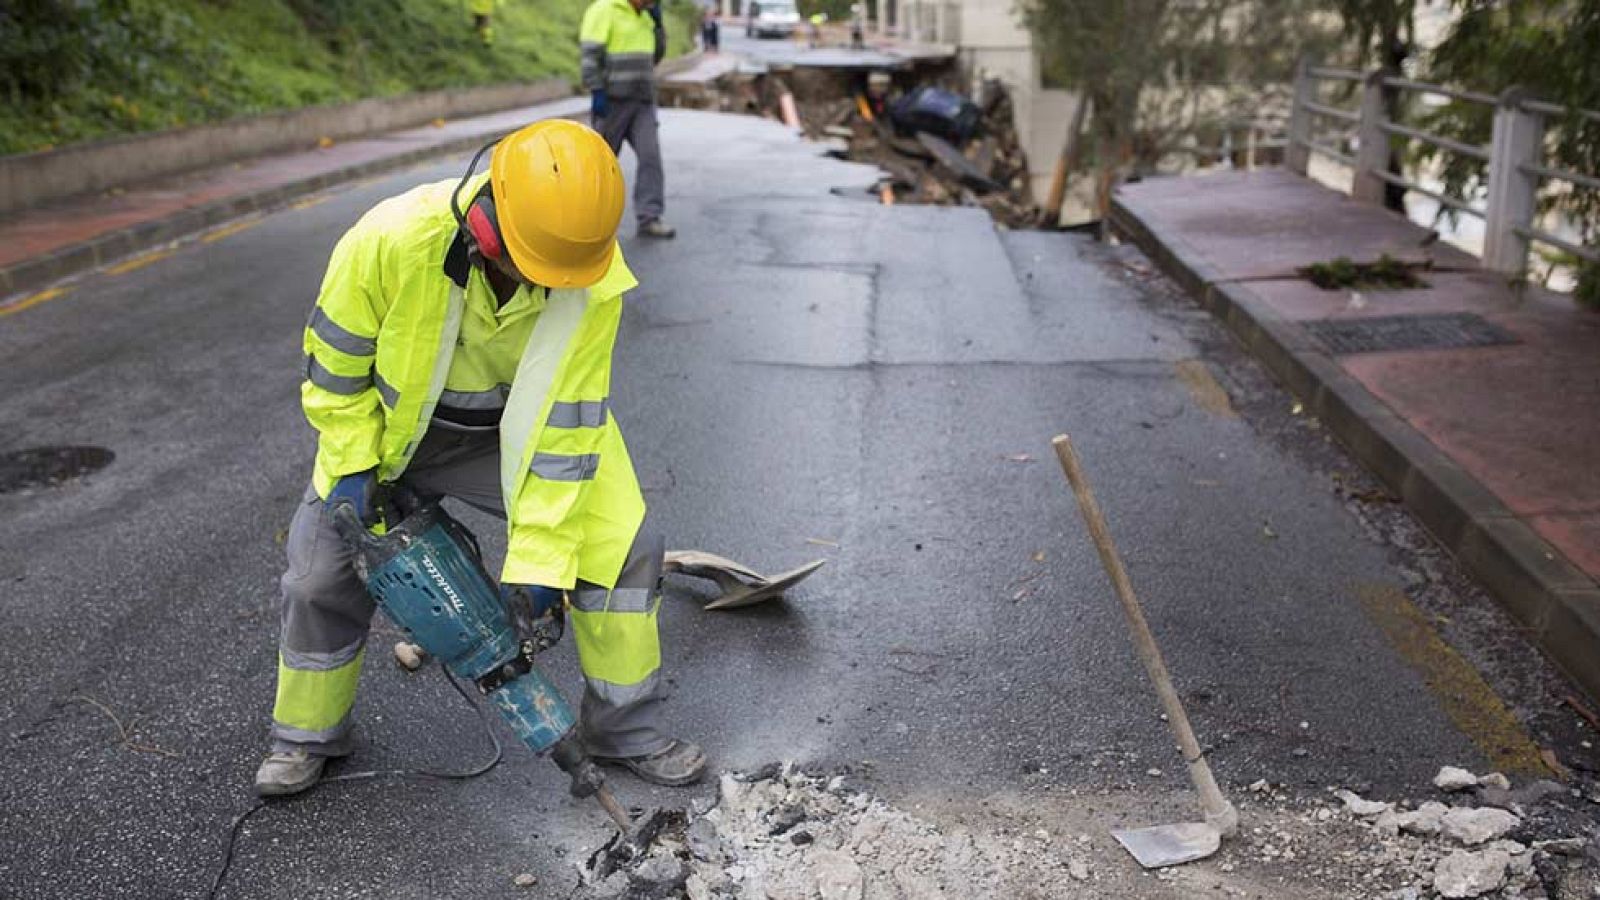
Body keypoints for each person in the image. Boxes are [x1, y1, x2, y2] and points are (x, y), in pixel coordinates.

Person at [255, 119, 705, 796]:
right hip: (390, 435)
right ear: (488, 227)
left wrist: (538, 567)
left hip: (520, 434)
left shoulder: (590, 271)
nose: (550, 286)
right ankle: (306, 736)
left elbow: (565, 427)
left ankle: (623, 729)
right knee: (319, 576)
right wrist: (353, 467)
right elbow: (335, 372)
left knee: (620, 547)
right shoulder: (388, 241)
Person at [581, 0, 676, 239]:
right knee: (602, 163)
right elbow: (590, 55)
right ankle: (585, 220)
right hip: (612, 102)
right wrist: (596, 90)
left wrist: (658, 25)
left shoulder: (646, 17)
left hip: (642, 102)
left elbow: (656, 56)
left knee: (650, 157)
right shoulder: (604, 10)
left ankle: (649, 217)